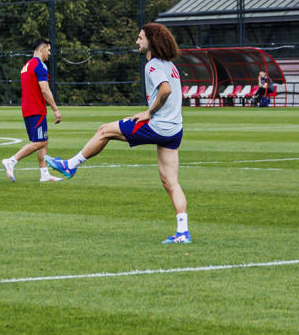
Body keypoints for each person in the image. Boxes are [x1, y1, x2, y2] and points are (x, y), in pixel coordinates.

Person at [47, 23, 191, 243]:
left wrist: (148, 112)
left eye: (140, 38)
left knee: (104, 130)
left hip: (158, 126)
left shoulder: (153, 66)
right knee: (170, 182)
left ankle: (70, 165)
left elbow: (166, 90)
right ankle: (183, 232)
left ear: (151, 41)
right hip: (174, 131)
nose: (137, 41)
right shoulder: (169, 65)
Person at [3, 39, 61, 182]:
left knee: (43, 140)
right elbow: (45, 90)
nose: (49, 53)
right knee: (40, 142)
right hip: (36, 108)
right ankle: (11, 161)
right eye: (48, 50)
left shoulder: (26, 66)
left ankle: (44, 174)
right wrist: (55, 109)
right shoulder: (40, 66)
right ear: (41, 49)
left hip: (27, 108)